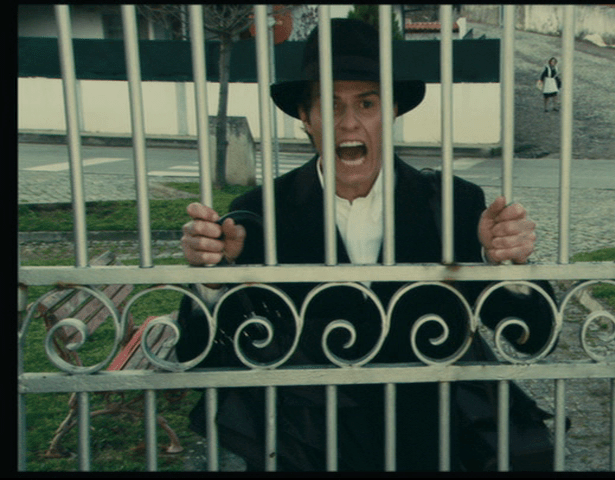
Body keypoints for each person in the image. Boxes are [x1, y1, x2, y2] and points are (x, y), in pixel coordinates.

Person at [176, 19, 558, 471]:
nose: (349, 122)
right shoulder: (258, 213)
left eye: (367, 103)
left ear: (392, 110)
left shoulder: (455, 204)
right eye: (330, 104)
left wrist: (507, 266)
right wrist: (212, 276)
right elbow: (194, 354)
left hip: (433, 446)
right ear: (306, 116)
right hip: (310, 451)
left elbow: (535, 337)